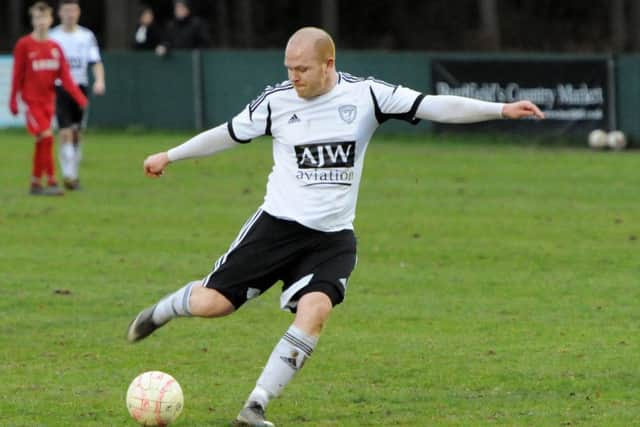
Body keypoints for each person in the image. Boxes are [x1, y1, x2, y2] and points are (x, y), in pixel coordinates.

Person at [127, 27, 544, 427]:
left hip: (331, 238)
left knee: (316, 309)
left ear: (329, 63)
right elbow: (228, 134)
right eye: (289, 68)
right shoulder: (276, 102)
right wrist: (171, 155)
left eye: (302, 69)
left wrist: (500, 109)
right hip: (276, 227)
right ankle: (164, 309)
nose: (293, 78)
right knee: (211, 305)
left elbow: (433, 104)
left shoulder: (366, 95)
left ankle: (255, 406)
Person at [9, 1, 88, 196]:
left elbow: (65, 76)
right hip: (32, 103)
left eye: (44, 18)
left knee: (41, 141)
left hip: (48, 102)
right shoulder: (24, 45)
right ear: (32, 20)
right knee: (47, 137)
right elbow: (17, 75)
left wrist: (79, 97)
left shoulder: (55, 47)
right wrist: (13, 100)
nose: (41, 22)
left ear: (51, 19)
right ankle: (52, 181)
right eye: (37, 18)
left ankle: (36, 183)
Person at [49, 0, 105, 191]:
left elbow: (96, 61)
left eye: (73, 10)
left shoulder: (86, 36)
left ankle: (74, 171)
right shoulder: (52, 36)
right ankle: (69, 175)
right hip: (59, 88)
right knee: (64, 132)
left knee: (77, 134)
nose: (70, 14)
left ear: (78, 12)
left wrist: (99, 80)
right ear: (60, 13)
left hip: (80, 87)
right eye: (66, 10)